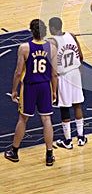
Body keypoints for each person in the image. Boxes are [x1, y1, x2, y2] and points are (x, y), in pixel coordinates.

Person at [4, 19, 58, 166]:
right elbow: (54, 74)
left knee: (23, 119)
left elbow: (17, 72)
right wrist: (54, 91)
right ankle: (49, 155)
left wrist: (14, 90)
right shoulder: (52, 48)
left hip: (29, 87)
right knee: (46, 119)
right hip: (45, 86)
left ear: (31, 31)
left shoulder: (24, 48)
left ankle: (14, 152)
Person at [48, 17, 87, 149]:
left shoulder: (52, 42)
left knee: (65, 107)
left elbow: (51, 64)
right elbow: (81, 56)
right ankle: (81, 137)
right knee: (77, 105)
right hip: (75, 72)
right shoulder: (72, 36)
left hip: (63, 75)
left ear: (53, 28)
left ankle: (68, 140)